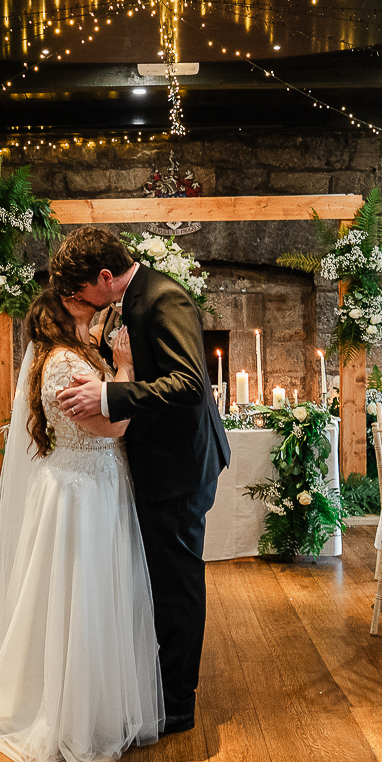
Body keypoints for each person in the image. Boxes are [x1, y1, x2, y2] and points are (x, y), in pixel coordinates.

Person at [0, 285, 164, 762]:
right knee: (80, 597)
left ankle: (96, 696)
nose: (95, 310)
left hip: (90, 483)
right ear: (63, 316)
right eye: (83, 306)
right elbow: (113, 427)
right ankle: (75, 715)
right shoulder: (62, 364)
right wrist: (125, 368)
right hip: (82, 493)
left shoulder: (72, 355)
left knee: (94, 597)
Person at [51, 226, 229, 736]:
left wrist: (110, 397)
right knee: (161, 580)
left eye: (79, 291)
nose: (74, 301)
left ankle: (178, 704)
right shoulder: (130, 299)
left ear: (105, 277)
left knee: (177, 584)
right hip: (158, 461)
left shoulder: (163, 297)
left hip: (179, 469)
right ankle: (159, 683)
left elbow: (190, 384)